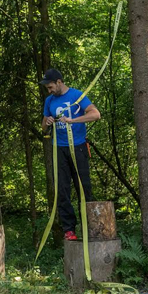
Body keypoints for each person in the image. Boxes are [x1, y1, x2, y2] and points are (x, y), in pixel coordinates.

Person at [41, 69, 101, 241]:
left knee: (83, 187)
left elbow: (96, 114)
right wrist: (48, 122)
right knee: (62, 190)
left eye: (51, 87)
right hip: (59, 149)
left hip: (78, 147)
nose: (49, 90)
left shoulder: (77, 96)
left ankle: (89, 227)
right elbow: (43, 127)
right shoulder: (49, 101)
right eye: (47, 88)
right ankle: (69, 229)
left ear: (59, 82)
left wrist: (72, 121)